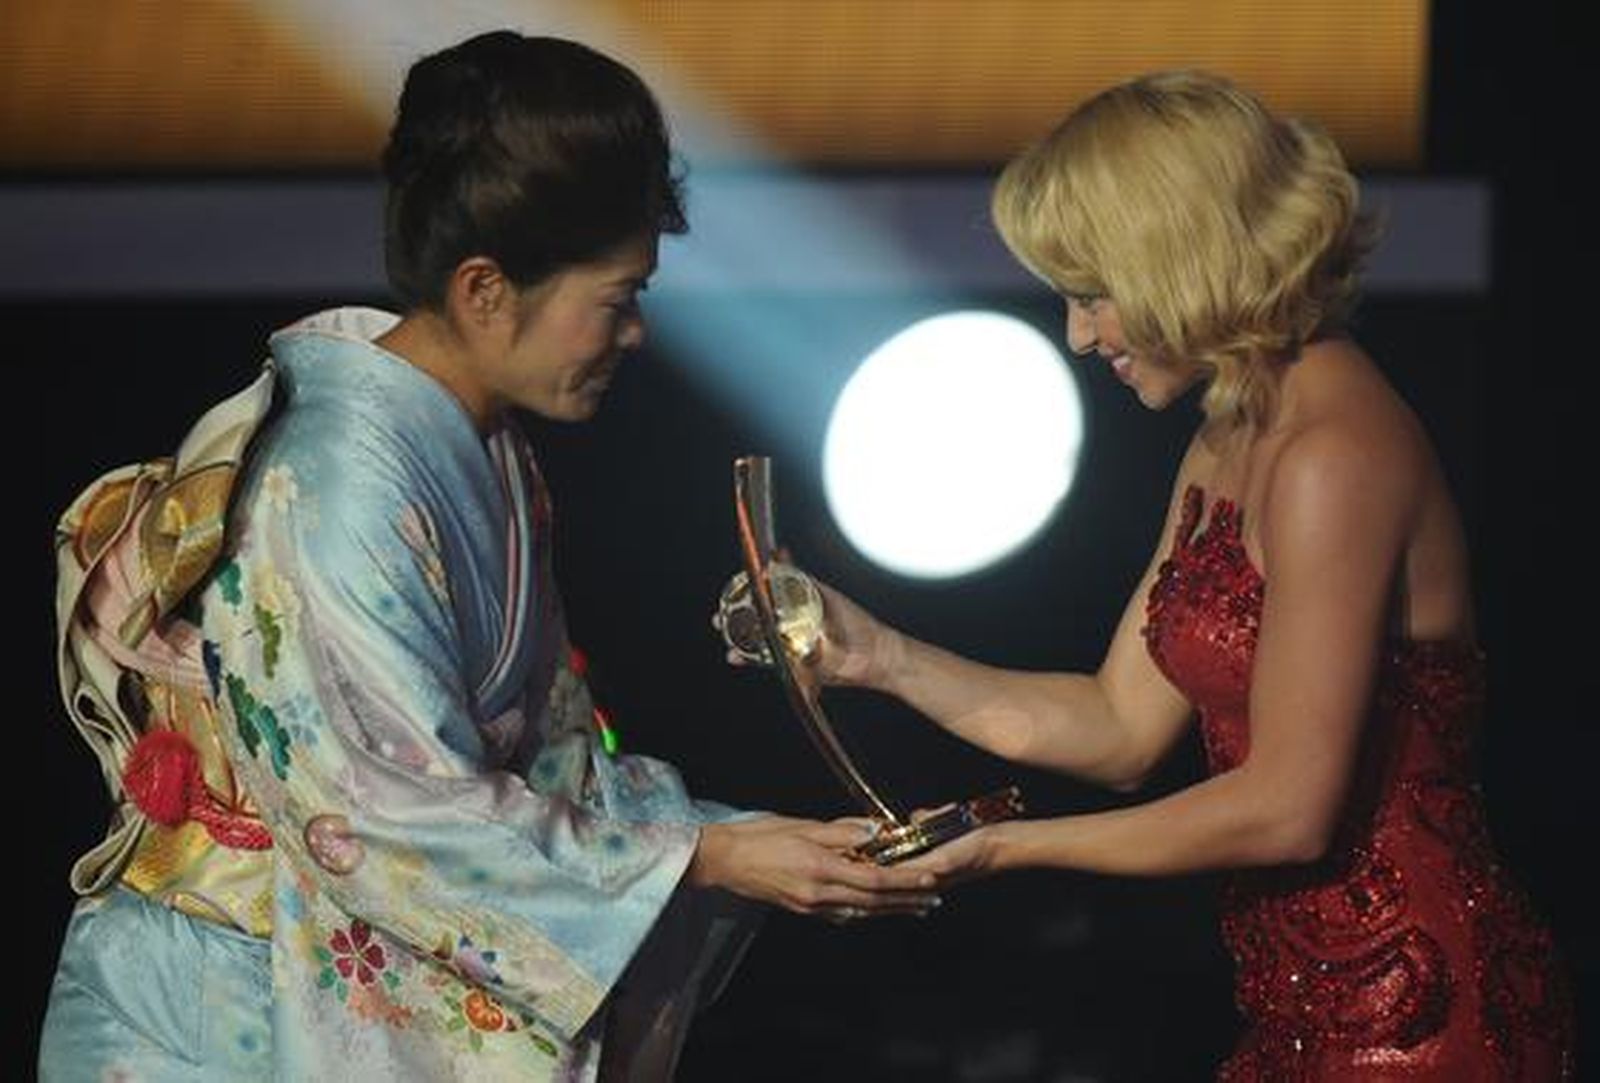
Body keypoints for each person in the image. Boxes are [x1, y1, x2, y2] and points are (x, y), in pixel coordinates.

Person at [39, 31, 938, 1082]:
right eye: (616, 300)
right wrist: (706, 858)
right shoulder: (332, 486)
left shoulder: (491, 457)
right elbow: (380, 811)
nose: (635, 334)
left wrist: (750, 844)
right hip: (210, 1014)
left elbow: (554, 771)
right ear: (484, 290)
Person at [797, 72, 1574, 1079]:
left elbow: (1287, 809)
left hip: (1415, 1018)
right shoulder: (1228, 438)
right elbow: (1119, 726)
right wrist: (879, 657)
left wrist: (1007, 847)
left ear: (1180, 258)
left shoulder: (1333, 455)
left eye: (1092, 295)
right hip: (1302, 1003)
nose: (1078, 335)